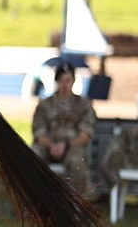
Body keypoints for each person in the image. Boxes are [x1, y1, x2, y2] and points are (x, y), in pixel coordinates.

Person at [31, 62, 96, 193]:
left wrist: (65, 145)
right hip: (48, 145)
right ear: (56, 81)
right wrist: (51, 146)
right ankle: (32, 199)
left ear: (73, 81)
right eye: (61, 80)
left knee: (78, 161)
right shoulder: (44, 105)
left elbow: (85, 136)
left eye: (68, 80)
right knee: (32, 157)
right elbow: (38, 134)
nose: (64, 84)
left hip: (73, 146)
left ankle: (82, 202)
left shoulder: (84, 106)